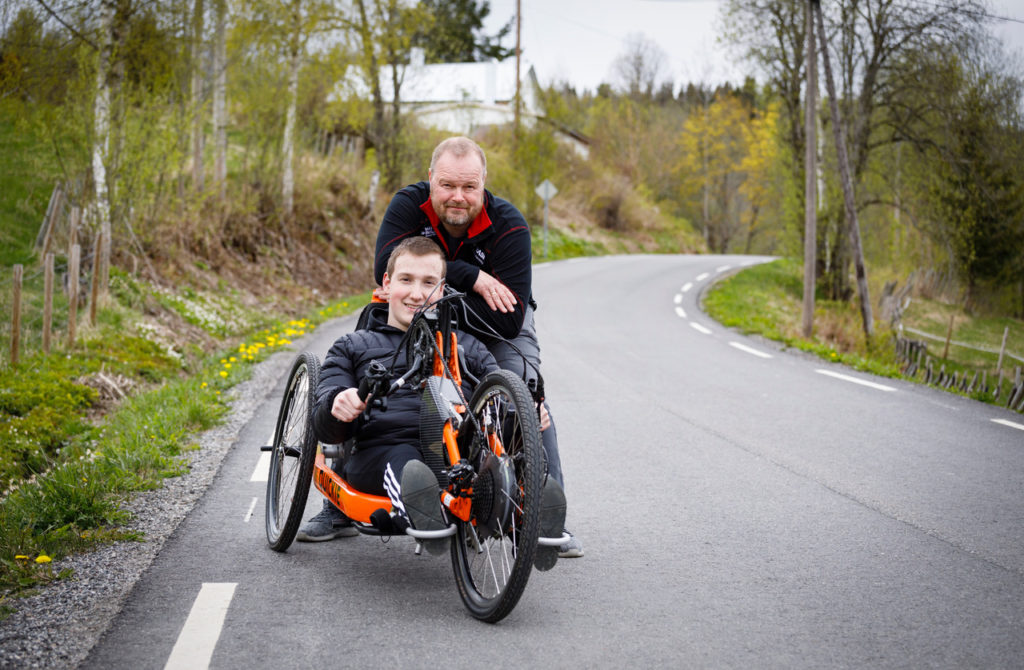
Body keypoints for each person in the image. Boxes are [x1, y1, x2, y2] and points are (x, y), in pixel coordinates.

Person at [371, 136, 583, 558]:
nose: (458, 197)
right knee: (374, 375)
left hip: (496, 330)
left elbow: (505, 318)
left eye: (470, 187)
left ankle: (542, 513)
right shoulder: (406, 206)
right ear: (430, 178)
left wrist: (439, 284)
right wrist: (472, 278)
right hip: (422, 317)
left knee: (522, 393)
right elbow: (387, 273)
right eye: (448, 185)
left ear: (484, 183)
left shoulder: (511, 225)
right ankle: (339, 504)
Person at [297, 237, 564, 561]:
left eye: (428, 283)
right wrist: (340, 403)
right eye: (406, 280)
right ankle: (423, 503)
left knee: (492, 469)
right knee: (407, 465)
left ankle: (529, 517)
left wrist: (524, 420)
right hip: (384, 448)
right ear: (386, 285)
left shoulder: (469, 349)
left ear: (442, 291)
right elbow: (326, 423)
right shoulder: (352, 346)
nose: (416, 293)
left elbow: (497, 411)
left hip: (461, 453)